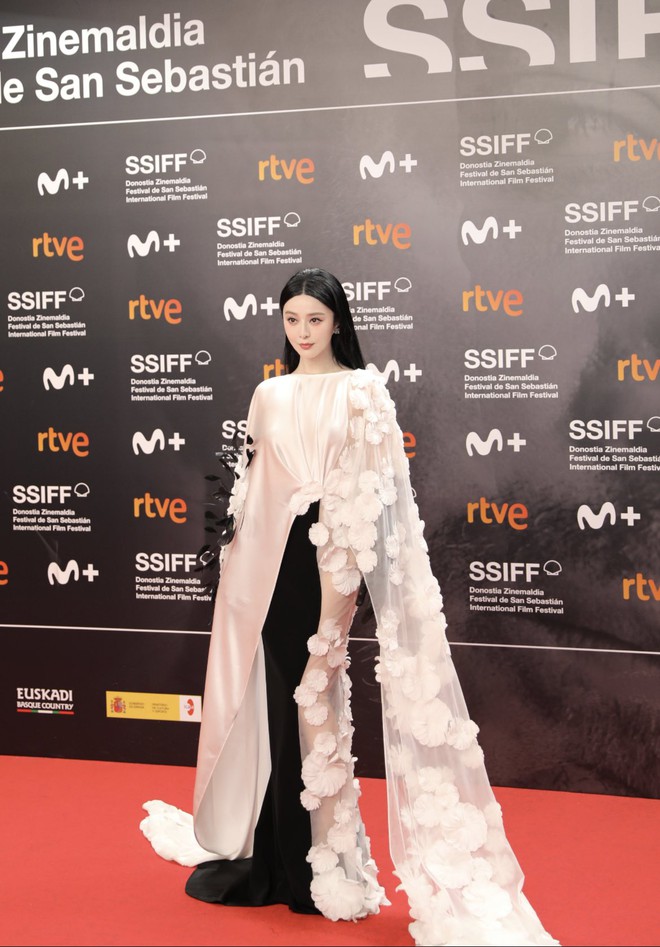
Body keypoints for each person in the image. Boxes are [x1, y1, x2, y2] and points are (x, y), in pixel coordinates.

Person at [141, 267, 559, 946]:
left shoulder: (364, 391)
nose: (303, 332)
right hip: (266, 571)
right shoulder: (268, 393)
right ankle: (276, 855)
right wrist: (237, 570)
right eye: (292, 320)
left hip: (327, 564)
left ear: (338, 321)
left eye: (315, 319)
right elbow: (253, 490)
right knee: (275, 701)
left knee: (316, 700)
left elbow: (368, 501)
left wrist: (338, 603)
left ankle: (319, 862)